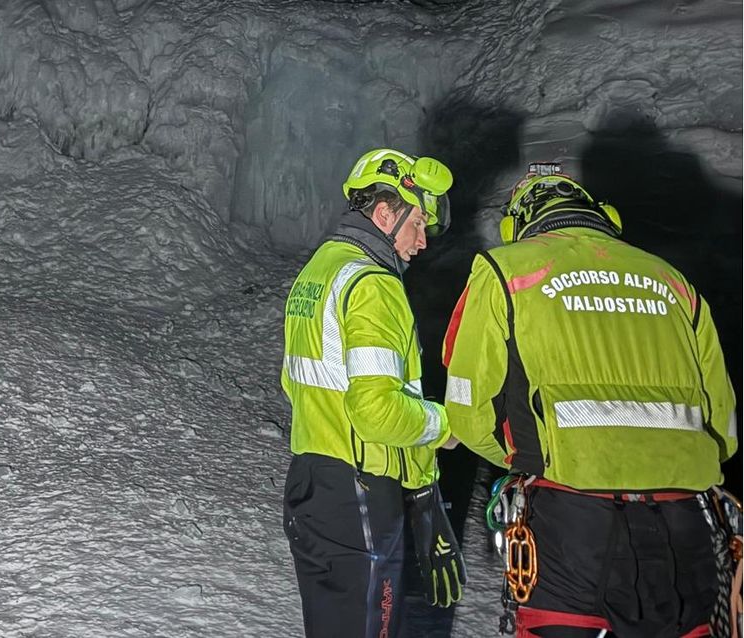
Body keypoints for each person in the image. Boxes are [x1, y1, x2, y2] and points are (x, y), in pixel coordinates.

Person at [442, 163, 739, 638]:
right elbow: (722, 424)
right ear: (603, 216)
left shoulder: (505, 270)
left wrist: (525, 459)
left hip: (570, 516)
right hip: (682, 519)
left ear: (517, 226)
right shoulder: (673, 281)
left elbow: (467, 407)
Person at [281, 148, 466, 638]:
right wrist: (444, 426)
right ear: (385, 214)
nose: (422, 241)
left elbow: (300, 385)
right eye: (418, 223)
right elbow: (376, 411)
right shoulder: (373, 285)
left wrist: (423, 494)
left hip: (312, 482)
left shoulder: (318, 271)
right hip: (359, 491)